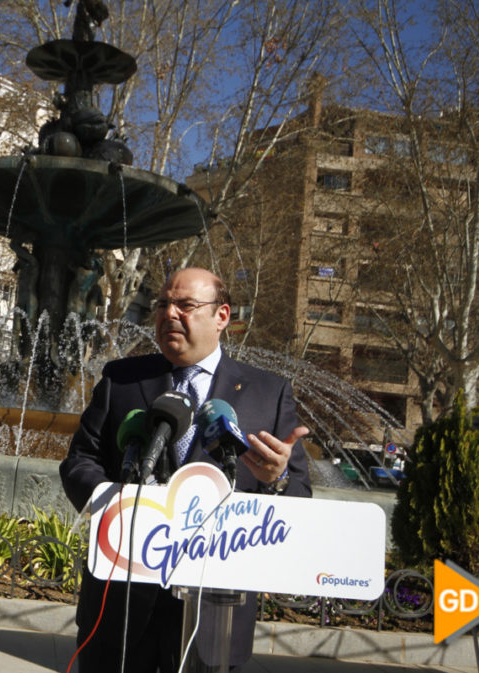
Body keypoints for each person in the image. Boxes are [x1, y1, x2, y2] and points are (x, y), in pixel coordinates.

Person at [60, 267, 311, 673]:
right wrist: (115, 503)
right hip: (121, 609)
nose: (169, 314)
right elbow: (79, 462)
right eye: (163, 304)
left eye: (186, 305)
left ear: (222, 316)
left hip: (214, 614)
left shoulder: (269, 394)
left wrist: (277, 479)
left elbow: (298, 495)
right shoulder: (122, 380)